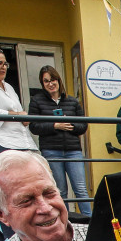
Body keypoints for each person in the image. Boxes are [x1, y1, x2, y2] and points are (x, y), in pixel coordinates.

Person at [28, 65, 90, 215]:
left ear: (58, 80)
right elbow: (34, 126)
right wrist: (55, 125)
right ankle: (65, 222)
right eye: (46, 81)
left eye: (53, 79)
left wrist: (70, 125)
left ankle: (89, 221)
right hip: (51, 150)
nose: (51, 84)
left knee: (81, 188)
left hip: (73, 150)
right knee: (60, 190)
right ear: (42, 84)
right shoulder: (36, 101)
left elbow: (83, 125)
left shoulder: (72, 101)